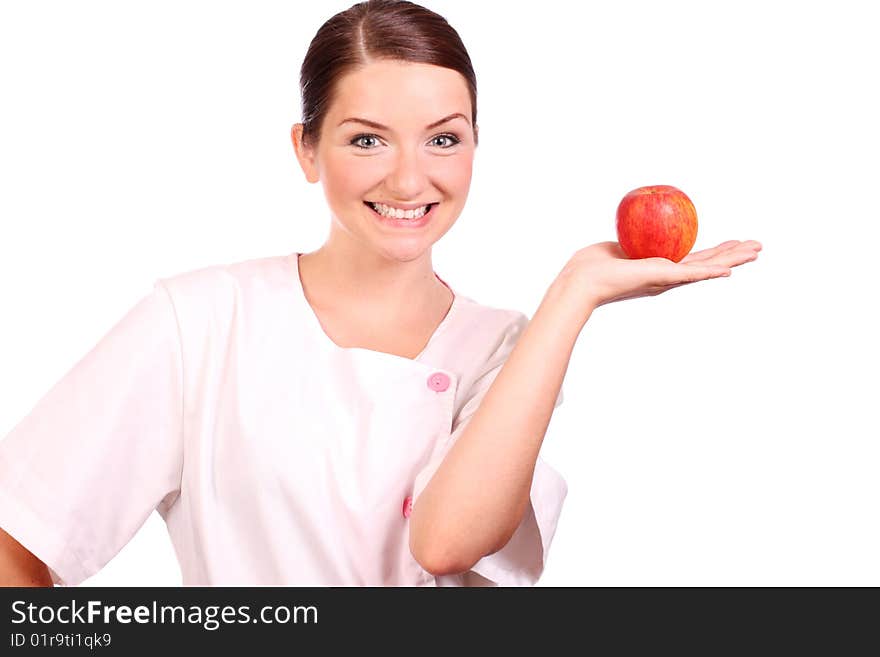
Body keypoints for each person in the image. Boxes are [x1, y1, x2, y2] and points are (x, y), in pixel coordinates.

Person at [0, 0, 760, 587]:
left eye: (443, 137)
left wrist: (576, 290)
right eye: (367, 138)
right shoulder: (199, 322)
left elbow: (447, 540)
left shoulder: (503, 343)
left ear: (474, 146)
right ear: (306, 149)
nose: (408, 178)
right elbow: (21, 535)